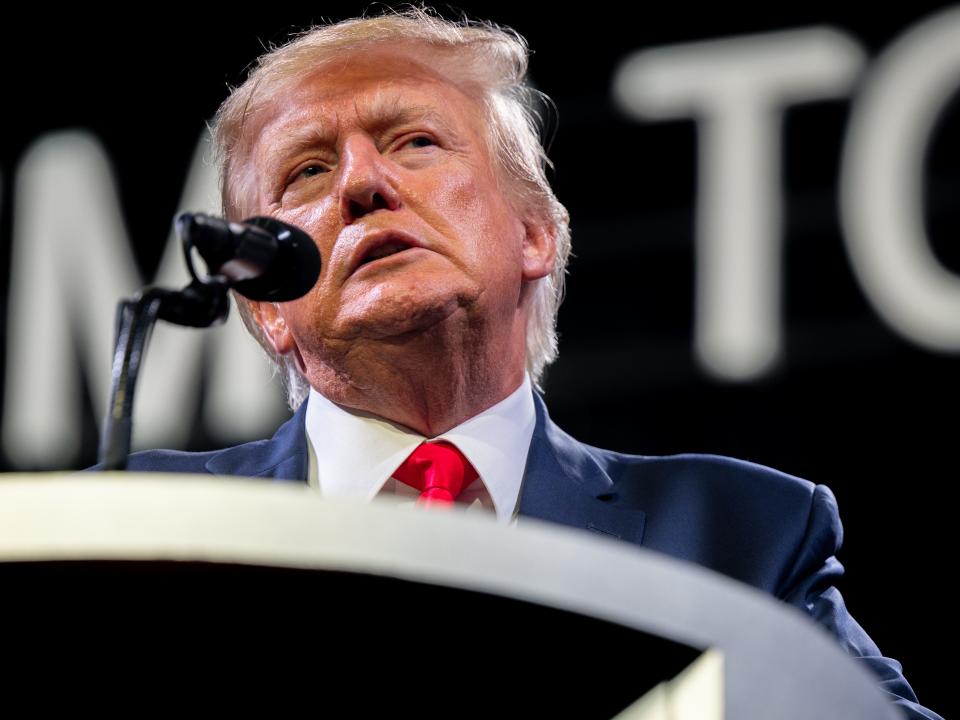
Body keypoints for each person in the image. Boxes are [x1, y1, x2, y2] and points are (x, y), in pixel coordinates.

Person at [121, 9, 939, 719]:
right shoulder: (147, 526)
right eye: (308, 168)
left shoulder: (741, 533)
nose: (363, 183)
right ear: (265, 305)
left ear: (534, 234)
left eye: (415, 142)